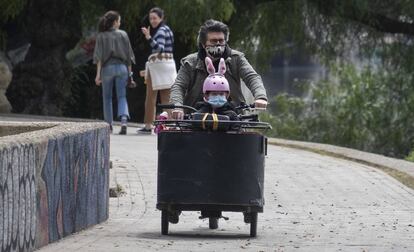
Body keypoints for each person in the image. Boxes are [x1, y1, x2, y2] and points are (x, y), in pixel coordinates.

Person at [170, 19, 268, 120]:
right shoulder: (189, 62)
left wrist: (260, 97)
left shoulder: (237, 58)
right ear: (203, 44)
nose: (218, 44)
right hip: (195, 116)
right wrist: (178, 107)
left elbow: (252, 77)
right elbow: (178, 86)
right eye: (213, 41)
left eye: (221, 41)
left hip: (232, 117)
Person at [94, 10, 135, 135]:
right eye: (119, 21)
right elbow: (129, 57)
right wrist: (130, 75)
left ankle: (109, 124)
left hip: (107, 69)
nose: (120, 23)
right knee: (122, 96)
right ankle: (123, 121)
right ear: (115, 22)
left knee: (107, 98)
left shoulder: (101, 36)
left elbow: (99, 58)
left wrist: (98, 75)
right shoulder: (123, 34)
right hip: (122, 68)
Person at [139, 7, 176, 134]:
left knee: (151, 97)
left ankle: (148, 125)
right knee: (167, 97)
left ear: (161, 18)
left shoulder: (160, 31)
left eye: (155, 18)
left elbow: (159, 48)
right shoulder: (168, 30)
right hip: (169, 65)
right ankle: (168, 124)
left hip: (157, 66)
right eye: (151, 18)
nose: (152, 21)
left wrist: (148, 37)